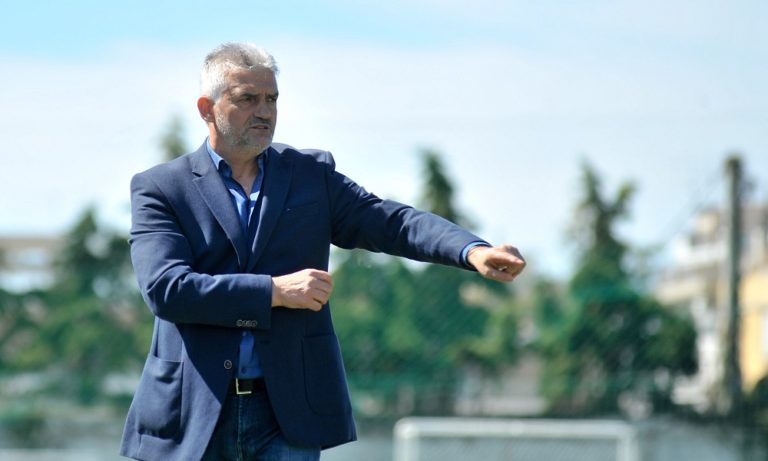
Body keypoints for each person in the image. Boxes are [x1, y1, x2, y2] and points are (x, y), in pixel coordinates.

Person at [119, 42, 526, 461]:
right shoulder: (161, 188)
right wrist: (275, 292)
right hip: (192, 414)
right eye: (248, 99)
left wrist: (471, 250)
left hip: (287, 414)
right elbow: (166, 289)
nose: (265, 111)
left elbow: (391, 222)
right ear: (207, 108)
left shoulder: (311, 176)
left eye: (272, 99)